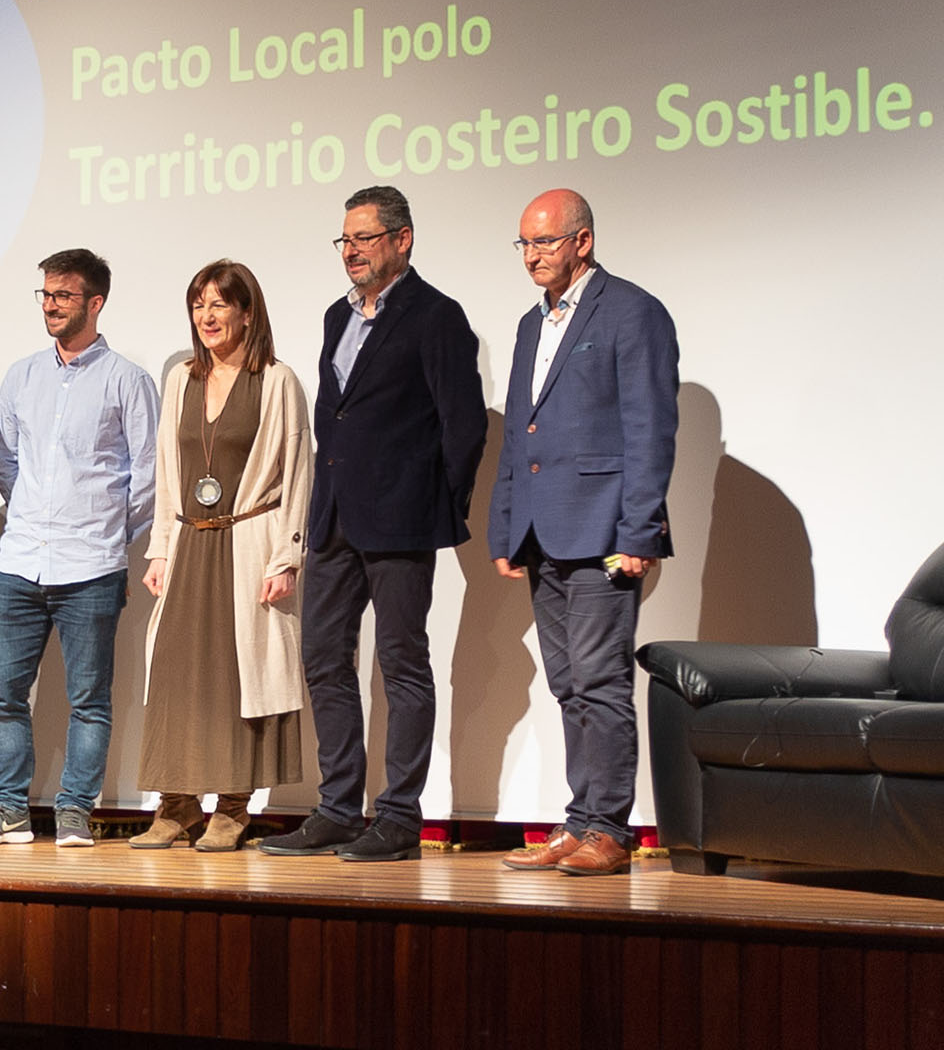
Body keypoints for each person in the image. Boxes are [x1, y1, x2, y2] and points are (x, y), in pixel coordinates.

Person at [261, 186, 486, 863]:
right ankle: (337, 808)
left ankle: (398, 817)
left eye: (364, 238)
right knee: (324, 658)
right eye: (345, 240)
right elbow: (335, 418)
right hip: (333, 520)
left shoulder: (437, 316)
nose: (352, 251)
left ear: (402, 239)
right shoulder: (338, 316)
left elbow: (464, 426)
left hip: (402, 522)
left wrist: (432, 503)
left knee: (400, 664)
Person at [489, 189, 678, 876]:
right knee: (567, 682)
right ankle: (578, 821)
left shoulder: (633, 313)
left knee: (600, 680)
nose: (532, 256)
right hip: (544, 529)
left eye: (544, 242)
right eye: (525, 244)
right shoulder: (528, 325)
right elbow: (520, 432)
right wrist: (508, 526)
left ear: (582, 241)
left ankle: (610, 830)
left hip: (605, 529)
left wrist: (640, 531)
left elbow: (650, 429)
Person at [0, 250, 159, 849]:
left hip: (92, 566)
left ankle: (74, 810)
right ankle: (10, 810)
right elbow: (5, 459)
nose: (50, 304)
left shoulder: (127, 380)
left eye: (63, 295)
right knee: (2, 696)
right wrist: (35, 519)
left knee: (89, 699)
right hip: (19, 563)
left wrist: (102, 533)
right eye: (45, 294)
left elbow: (145, 479)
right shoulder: (20, 376)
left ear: (95, 303)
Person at [131, 260, 313, 853]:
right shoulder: (180, 379)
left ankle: (233, 807)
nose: (206, 316)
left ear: (247, 312)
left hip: (248, 542)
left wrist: (286, 556)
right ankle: (175, 805)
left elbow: (297, 472)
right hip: (189, 542)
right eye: (198, 304)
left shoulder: (277, 380)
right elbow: (166, 472)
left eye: (219, 304)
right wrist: (160, 547)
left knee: (241, 678)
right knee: (177, 679)